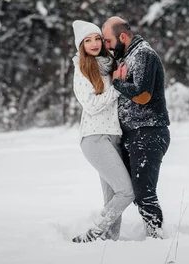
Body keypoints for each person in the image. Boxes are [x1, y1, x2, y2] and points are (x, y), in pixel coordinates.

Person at [102, 16, 171, 239]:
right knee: (128, 191)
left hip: (148, 132)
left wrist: (117, 82)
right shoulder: (126, 57)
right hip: (133, 134)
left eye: (108, 40)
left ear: (122, 36)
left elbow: (142, 96)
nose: (107, 46)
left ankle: (156, 237)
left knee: (144, 193)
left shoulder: (143, 54)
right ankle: (107, 232)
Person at [70, 20, 134, 243]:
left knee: (113, 197)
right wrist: (117, 86)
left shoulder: (110, 65)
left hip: (114, 137)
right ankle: (94, 233)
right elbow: (92, 105)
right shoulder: (82, 69)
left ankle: (109, 243)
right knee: (126, 192)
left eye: (97, 38)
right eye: (88, 41)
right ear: (82, 45)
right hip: (94, 138)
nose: (95, 43)